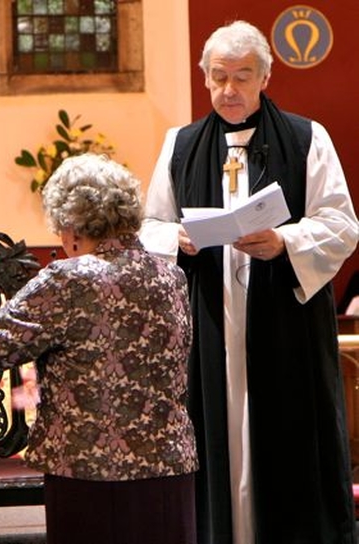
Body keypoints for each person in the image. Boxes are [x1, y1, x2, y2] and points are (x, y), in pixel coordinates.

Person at [139, 20, 359, 544]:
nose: (228, 90)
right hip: (210, 315)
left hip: (284, 321)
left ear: (265, 76)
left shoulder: (307, 138)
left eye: (241, 77)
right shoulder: (181, 144)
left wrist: (285, 243)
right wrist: (181, 240)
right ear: (205, 78)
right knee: (216, 434)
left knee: (285, 440)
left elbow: (341, 224)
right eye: (218, 78)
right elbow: (149, 226)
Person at [0, 153, 199, 544]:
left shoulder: (69, 278)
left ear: (70, 226)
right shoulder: (170, 275)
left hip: (91, 474)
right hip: (169, 469)